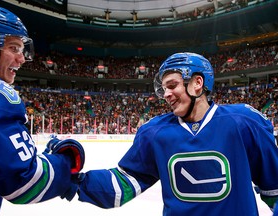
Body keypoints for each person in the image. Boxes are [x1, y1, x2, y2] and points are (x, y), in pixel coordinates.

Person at [69, 52, 278, 215]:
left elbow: (275, 190)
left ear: (198, 83)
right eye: (163, 89)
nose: (166, 94)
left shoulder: (245, 123)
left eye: (172, 86)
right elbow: (123, 186)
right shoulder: (154, 133)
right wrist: (67, 177)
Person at [0, 4, 84, 215]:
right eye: (13, 48)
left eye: (22, 51)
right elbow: (25, 182)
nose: (22, 59)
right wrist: (67, 160)